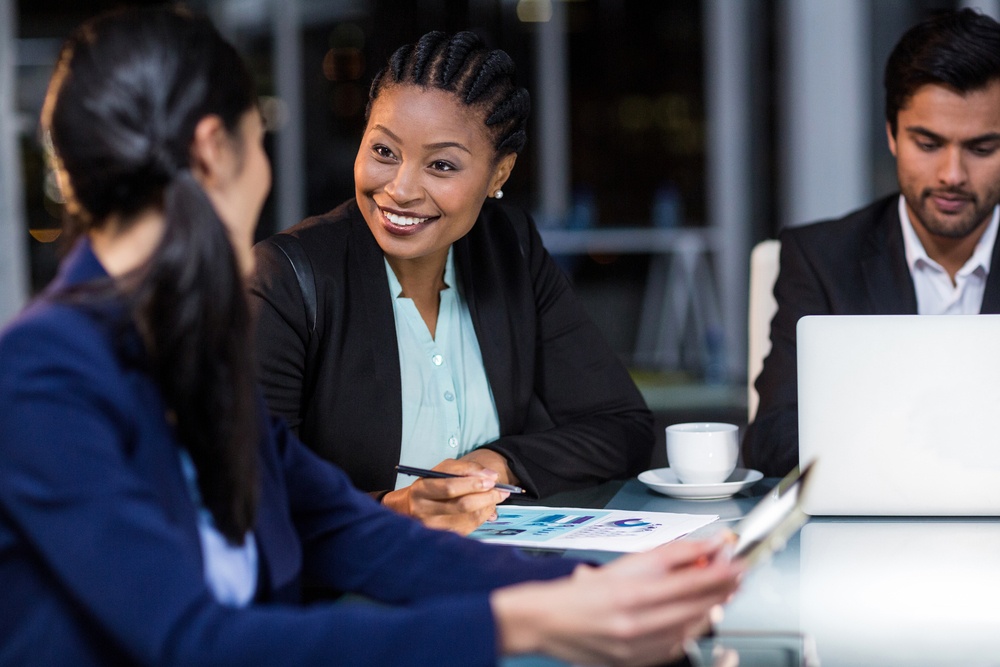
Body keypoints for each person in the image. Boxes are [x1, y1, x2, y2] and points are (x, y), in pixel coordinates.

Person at [0, 8, 743, 665]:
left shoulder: (190, 338)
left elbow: (343, 526)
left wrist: (597, 587)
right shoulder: (42, 372)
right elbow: (195, 640)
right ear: (210, 152)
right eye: (261, 140)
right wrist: (517, 621)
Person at [250, 31, 653, 533]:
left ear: (498, 173)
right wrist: (397, 509)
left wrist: (495, 465)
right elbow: (251, 493)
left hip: (485, 572)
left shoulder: (511, 250)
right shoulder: (285, 278)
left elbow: (622, 426)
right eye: (383, 151)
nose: (399, 189)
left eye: (441, 165)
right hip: (345, 593)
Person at [744, 8, 1000, 477]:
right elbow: (772, 439)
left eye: (982, 149)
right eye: (928, 143)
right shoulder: (821, 258)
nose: (952, 175)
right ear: (891, 135)